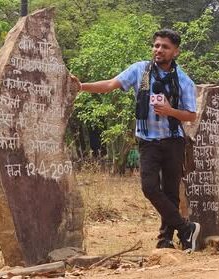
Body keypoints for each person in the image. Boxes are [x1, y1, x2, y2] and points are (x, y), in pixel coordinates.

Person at [72, 29, 201, 252]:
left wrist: (170, 111)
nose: (158, 50)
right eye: (156, 45)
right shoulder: (140, 70)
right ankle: (186, 228)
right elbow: (110, 85)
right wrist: (81, 86)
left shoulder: (183, 80)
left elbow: (191, 115)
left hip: (173, 141)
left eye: (165, 47)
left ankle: (166, 240)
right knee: (150, 188)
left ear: (176, 52)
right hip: (147, 140)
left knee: (170, 191)